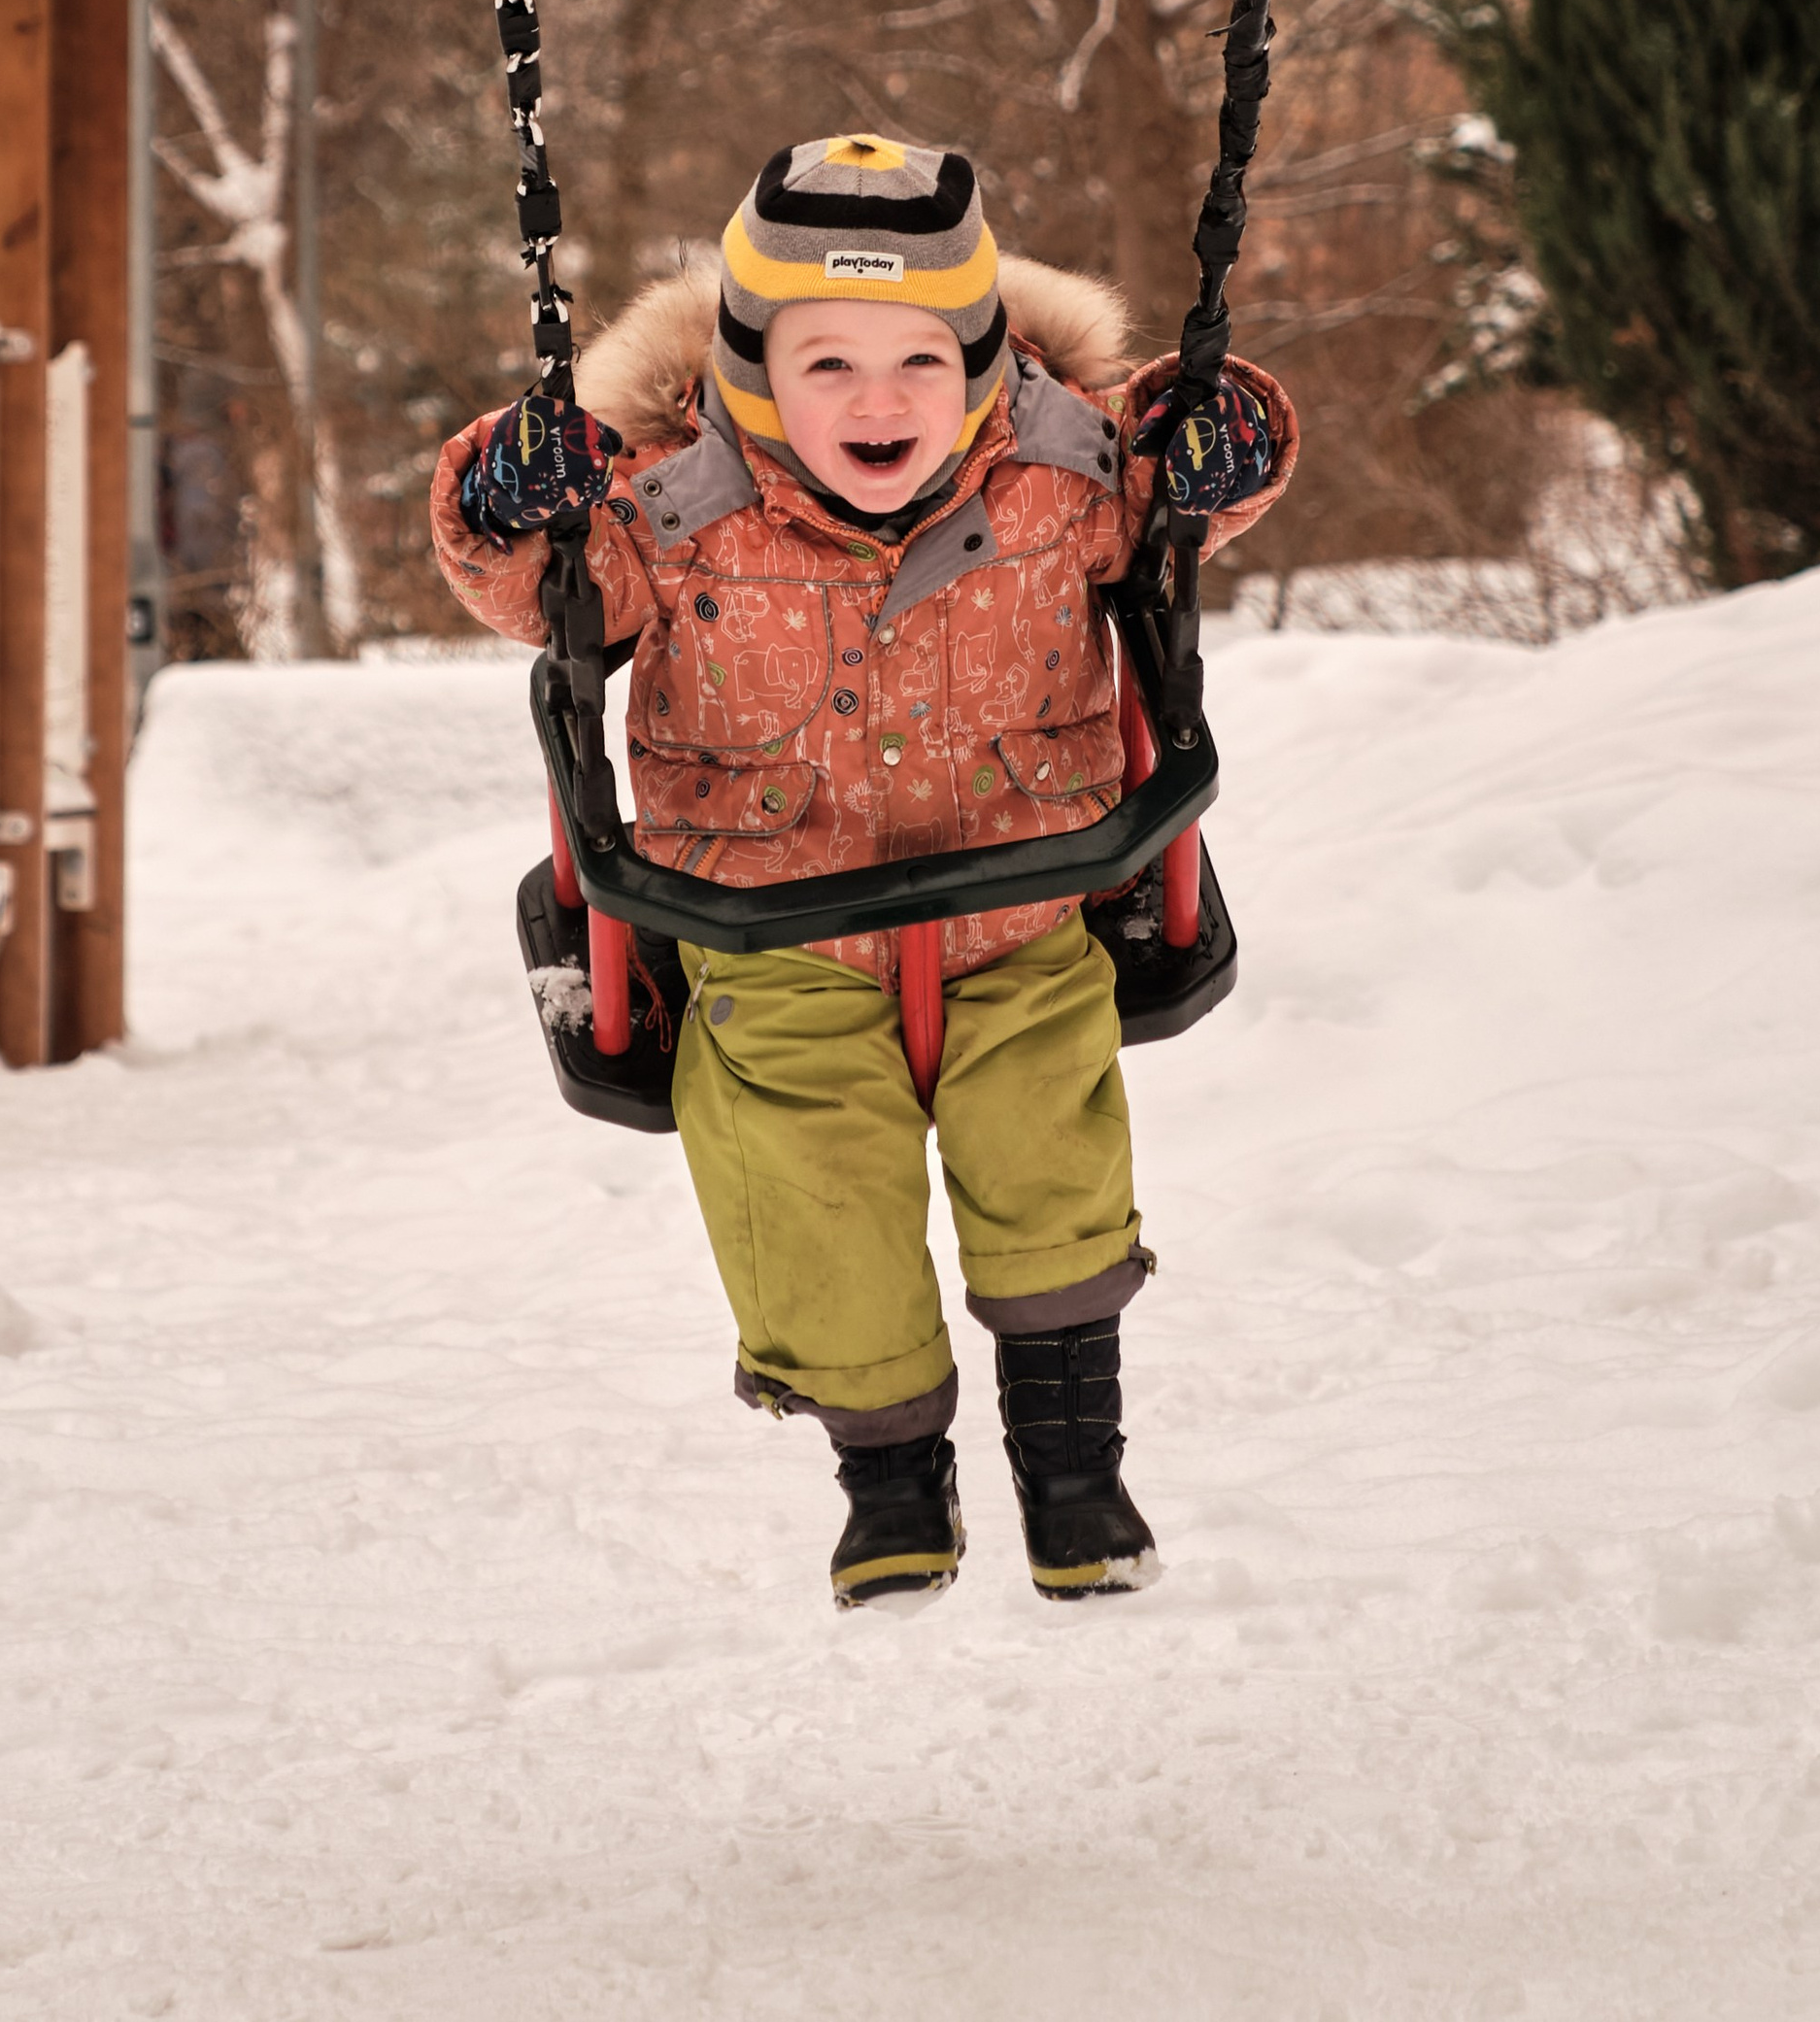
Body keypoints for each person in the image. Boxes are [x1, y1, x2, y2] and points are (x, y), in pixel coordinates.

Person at [432, 134, 1295, 1610]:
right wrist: (509, 495)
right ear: (752, 367)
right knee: (805, 1190)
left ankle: (1074, 1465)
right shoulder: (671, 505)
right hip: (772, 937)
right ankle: (890, 1482)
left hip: (1023, 905)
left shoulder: (1060, 472)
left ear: (984, 359)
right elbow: (529, 585)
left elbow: (1182, 498)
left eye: (920, 358)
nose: (879, 400)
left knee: (1051, 1160)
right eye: (826, 364)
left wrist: (1228, 437)